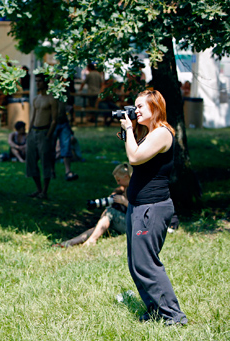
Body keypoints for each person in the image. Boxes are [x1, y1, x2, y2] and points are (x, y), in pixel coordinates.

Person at [120, 89, 187, 326]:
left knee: (147, 263)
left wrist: (128, 129)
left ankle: (174, 316)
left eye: (140, 107)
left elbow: (135, 158)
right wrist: (129, 131)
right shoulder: (150, 133)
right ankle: (156, 310)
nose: (135, 111)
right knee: (137, 263)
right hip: (139, 206)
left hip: (152, 208)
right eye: (135, 107)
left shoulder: (162, 133)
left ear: (155, 108)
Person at [56, 163, 132, 247]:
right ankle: (70, 242)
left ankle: (92, 240)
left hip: (135, 226)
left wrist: (124, 201)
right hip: (128, 222)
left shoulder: (137, 189)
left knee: (110, 212)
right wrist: (115, 193)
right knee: (99, 227)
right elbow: (119, 189)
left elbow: (140, 210)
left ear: (126, 176)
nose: (118, 183)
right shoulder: (126, 187)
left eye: (119, 180)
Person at [26, 74, 58, 199]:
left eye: (40, 81)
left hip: (44, 131)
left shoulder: (51, 99)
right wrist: (29, 134)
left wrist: (48, 135)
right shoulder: (36, 99)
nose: (38, 83)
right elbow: (33, 117)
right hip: (34, 132)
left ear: (45, 82)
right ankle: (38, 189)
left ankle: (44, 191)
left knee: (45, 161)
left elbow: (54, 120)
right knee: (31, 161)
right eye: (36, 81)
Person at [55, 96, 79, 181]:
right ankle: (50, 171)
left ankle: (68, 171)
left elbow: (69, 106)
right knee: (50, 146)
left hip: (63, 122)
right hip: (52, 122)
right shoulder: (48, 91)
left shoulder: (64, 91)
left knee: (66, 145)